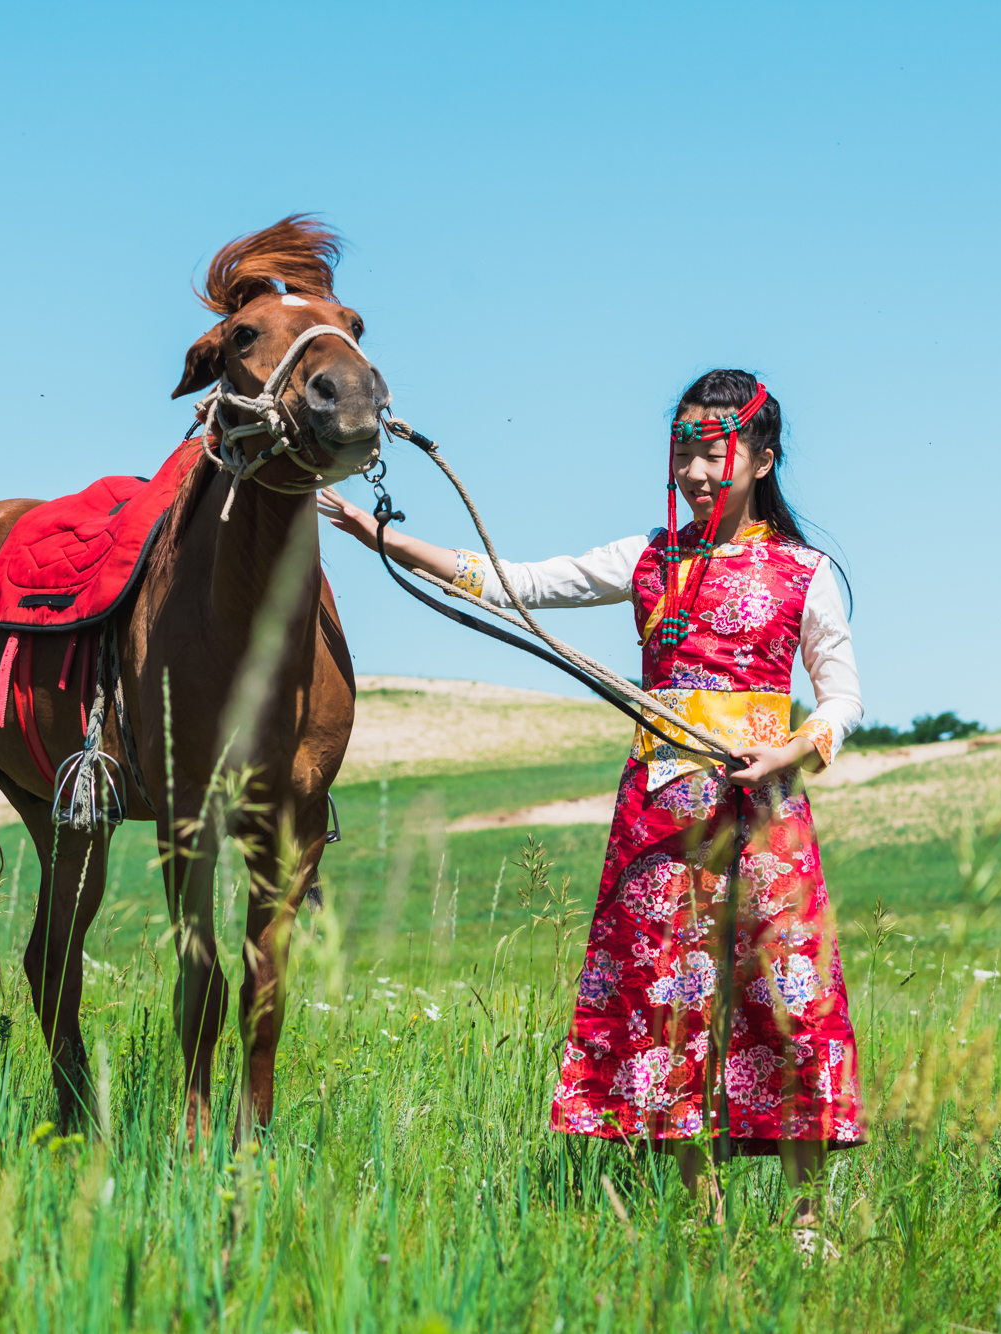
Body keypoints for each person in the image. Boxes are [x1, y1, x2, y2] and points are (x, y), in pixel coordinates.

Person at [319, 369, 864, 1245]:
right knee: (665, 1005)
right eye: (683, 447)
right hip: (660, 820)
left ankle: (812, 1216)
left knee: (787, 1003)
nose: (695, 468)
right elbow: (515, 583)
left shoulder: (807, 573)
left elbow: (842, 701)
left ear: (760, 458)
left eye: (714, 449)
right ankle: (699, 1214)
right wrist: (377, 533)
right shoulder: (646, 559)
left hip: (765, 816)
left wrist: (792, 751)